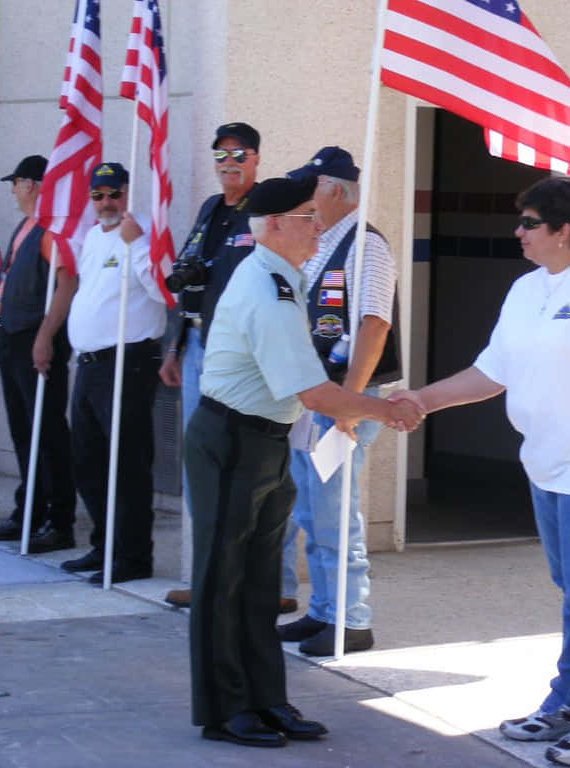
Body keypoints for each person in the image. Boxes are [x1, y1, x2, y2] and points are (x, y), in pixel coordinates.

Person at [390, 176, 570, 766]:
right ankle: (567, 701)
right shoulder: (524, 291)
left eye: (529, 222)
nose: (517, 232)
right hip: (546, 464)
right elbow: (493, 373)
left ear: (564, 231)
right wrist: (423, 399)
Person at [185, 175, 422, 748]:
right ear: (270, 227)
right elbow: (315, 393)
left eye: (316, 216)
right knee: (224, 581)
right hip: (233, 441)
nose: (317, 227)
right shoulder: (265, 288)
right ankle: (225, 709)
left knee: (261, 583)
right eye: (304, 218)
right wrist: (383, 409)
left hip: (265, 439)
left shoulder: (285, 280)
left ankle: (266, 699)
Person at [277, 146, 399, 656]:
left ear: (332, 189)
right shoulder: (323, 241)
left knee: (335, 511)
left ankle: (352, 619)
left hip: (345, 399)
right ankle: (324, 611)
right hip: (316, 396)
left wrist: (348, 404)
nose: (306, 197)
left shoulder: (365, 244)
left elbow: (374, 323)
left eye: (311, 186)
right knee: (312, 511)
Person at [157, 122, 281, 607]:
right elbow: (189, 280)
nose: (229, 165)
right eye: (221, 156)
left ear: (256, 160)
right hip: (199, 347)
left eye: (239, 155)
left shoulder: (266, 210)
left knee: (249, 466)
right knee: (202, 462)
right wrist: (173, 346)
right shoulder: (211, 209)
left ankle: (263, 587)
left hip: (244, 356)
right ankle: (207, 576)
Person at [59, 163, 166, 584]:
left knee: (127, 465)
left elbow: (163, 291)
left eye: (114, 194)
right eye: (98, 196)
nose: (106, 203)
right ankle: (104, 547)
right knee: (88, 463)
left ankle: (133, 557)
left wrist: (137, 245)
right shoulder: (92, 236)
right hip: (88, 365)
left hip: (127, 363)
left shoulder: (142, 236)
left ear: (127, 193)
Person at [0, 154, 76, 552]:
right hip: (11, 338)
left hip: (36, 341)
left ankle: (59, 520)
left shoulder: (51, 232)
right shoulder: (25, 226)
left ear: (33, 184)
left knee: (47, 430)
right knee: (23, 432)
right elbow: (8, 284)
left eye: (17, 181)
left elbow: (66, 284)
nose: (12, 189)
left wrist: (44, 336)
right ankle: (30, 512)